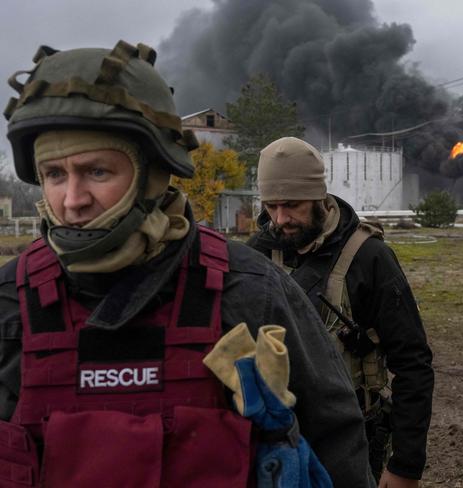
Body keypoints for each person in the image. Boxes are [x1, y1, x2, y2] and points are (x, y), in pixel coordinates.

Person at [0, 41, 374, 487]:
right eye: (55, 175)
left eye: (97, 171)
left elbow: (336, 441)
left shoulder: (250, 292)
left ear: (153, 173)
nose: (73, 200)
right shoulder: (9, 306)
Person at [247, 137, 434, 488]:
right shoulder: (256, 255)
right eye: (271, 206)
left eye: (292, 205)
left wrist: (406, 464)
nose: (280, 219)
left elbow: (413, 363)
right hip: (275, 440)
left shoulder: (369, 258)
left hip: (352, 441)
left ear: (319, 196)